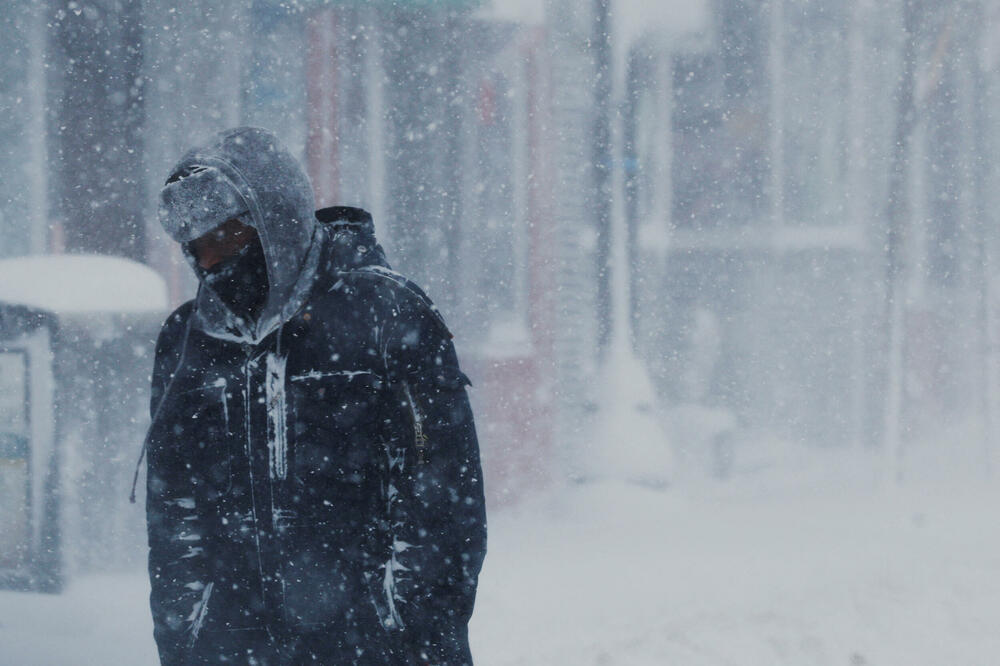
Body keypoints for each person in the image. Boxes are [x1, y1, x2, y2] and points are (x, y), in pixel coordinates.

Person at [143, 126, 487, 665]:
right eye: (197, 246)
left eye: (225, 237)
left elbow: (439, 507)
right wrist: (185, 639)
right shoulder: (188, 343)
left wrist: (411, 636)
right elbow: (175, 518)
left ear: (273, 222)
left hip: (372, 649)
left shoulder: (387, 318)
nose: (210, 262)